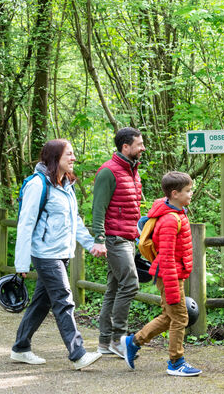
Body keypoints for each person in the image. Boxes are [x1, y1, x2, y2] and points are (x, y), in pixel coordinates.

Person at [11, 139, 106, 370]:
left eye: (73, 154)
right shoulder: (38, 184)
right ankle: (78, 353)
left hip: (61, 252)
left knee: (42, 303)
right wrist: (21, 262)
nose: (73, 158)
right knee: (64, 300)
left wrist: (90, 243)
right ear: (55, 158)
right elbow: (25, 224)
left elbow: (74, 222)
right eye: (69, 154)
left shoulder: (66, 185)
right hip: (45, 254)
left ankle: (20, 348)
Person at [121, 171, 202, 376]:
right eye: (187, 191)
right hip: (169, 275)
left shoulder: (177, 212)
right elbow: (166, 257)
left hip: (173, 274)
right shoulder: (169, 220)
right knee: (181, 318)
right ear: (175, 194)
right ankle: (176, 362)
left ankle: (133, 342)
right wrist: (173, 289)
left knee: (169, 316)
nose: (191, 194)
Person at [92, 127, 145, 357]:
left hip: (129, 238)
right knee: (131, 283)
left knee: (113, 290)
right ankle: (118, 339)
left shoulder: (133, 171)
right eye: (139, 144)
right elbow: (98, 209)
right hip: (114, 239)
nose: (142, 148)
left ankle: (105, 342)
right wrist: (99, 240)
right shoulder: (108, 172)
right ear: (126, 147)